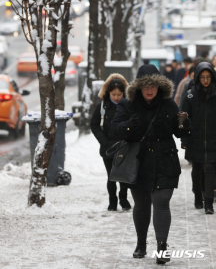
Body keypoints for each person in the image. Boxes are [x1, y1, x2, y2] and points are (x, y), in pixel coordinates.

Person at [111, 64, 190, 264]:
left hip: (165, 160)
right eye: (145, 85)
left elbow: (179, 131)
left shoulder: (168, 104)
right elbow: (115, 130)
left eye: (153, 85)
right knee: (142, 204)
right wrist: (130, 125)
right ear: (138, 87)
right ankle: (141, 242)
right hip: (139, 162)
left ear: (159, 86)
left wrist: (183, 124)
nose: (149, 90)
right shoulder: (127, 105)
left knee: (162, 202)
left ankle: (162, 246)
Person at [91, 73, 131, 212]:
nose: (116, 97)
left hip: (124, 146)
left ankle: (123, 198)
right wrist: (104, 141)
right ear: (108, 93)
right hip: (108, 147)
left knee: (124, 176)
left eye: (119, 94)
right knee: (111, 176)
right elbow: (94, 125)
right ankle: (112, 201)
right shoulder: (102, 106)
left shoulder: (128, 106)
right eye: (113, 94)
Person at [182, 61, 216, 214]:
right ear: (197, 78)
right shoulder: (191, 95)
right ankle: (197, 193)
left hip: (212, 138)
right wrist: (184, 139)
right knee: (197, 169)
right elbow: (183, 118)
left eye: (208, 77)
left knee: (210, 168)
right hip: (195, 138)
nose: (206, 80)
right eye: (202, 77)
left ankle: (208, 202)